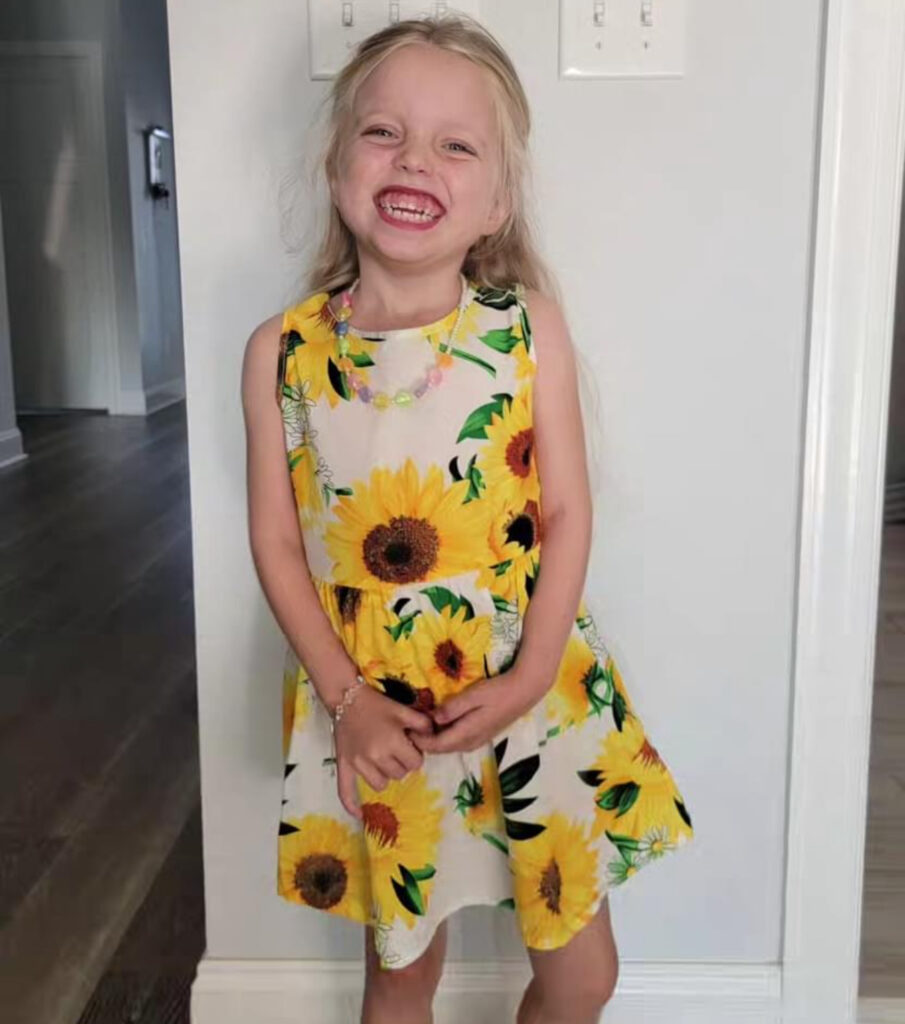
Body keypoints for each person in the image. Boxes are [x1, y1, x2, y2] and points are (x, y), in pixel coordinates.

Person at [241, 13, 694, 1024]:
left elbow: (565, 510)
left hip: (529, 687)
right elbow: (274, 541)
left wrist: (529, 676)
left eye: (455, 144)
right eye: (382, 132)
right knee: (401, 973)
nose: (414, 159)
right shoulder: (283, 351)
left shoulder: (528, 329)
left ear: (495, 202)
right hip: (379, 706)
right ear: (335, 164)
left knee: (582, 973)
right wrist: (347, 701)